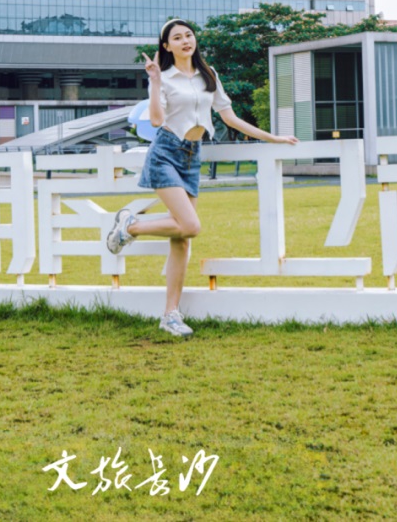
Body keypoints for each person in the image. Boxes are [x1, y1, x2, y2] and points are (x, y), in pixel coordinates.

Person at [105, 17, 296, 337]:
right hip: (166, 152)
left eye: (189, 35)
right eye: (177, 38)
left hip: (193, 156)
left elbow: (229, 117)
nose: (185, 41)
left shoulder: (209, 74)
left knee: (182, 238)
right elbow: (156, 120)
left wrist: (272, 137)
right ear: (166, 46)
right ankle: (131, 225)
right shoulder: (163, 77)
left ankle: (170, 314)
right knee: (191, 225)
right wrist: (155, 82)